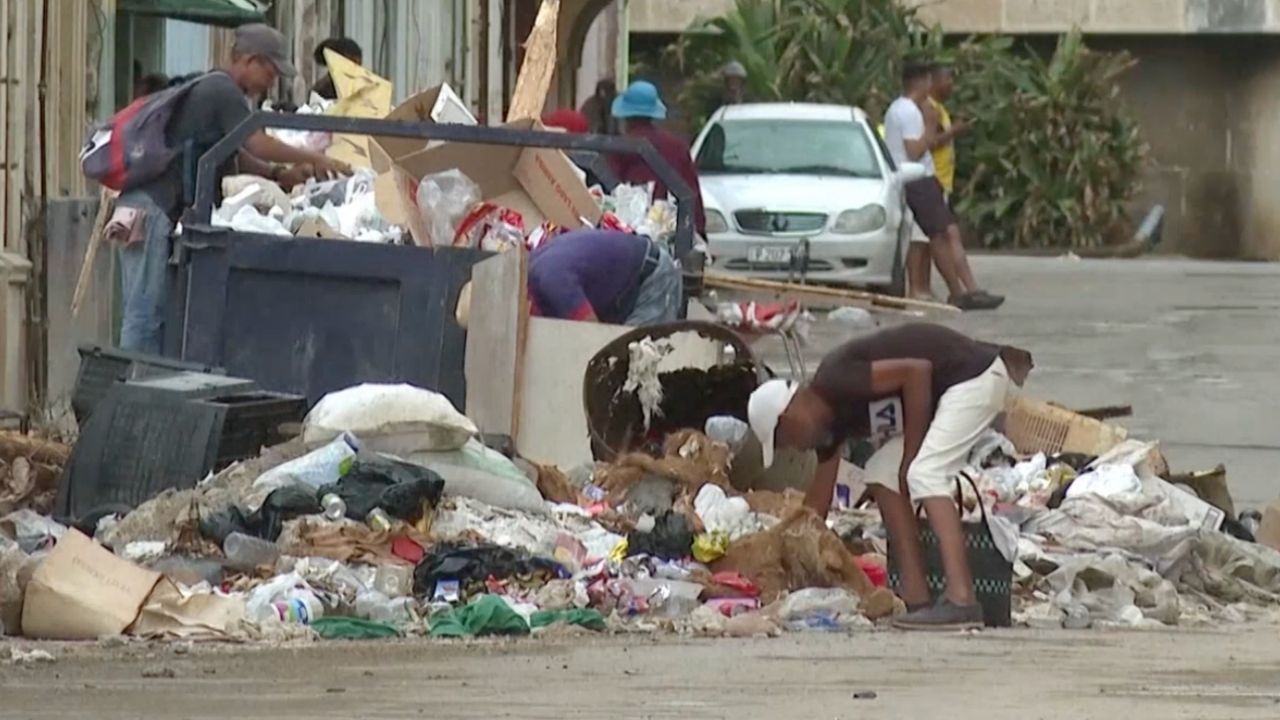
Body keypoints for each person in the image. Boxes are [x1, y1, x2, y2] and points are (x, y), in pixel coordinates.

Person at [746, 323, 1034, 630]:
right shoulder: (830, 427)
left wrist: (909, 458)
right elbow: (816, 509)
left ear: (789, 414)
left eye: (785, 439)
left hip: (974, 378)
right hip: (950, 395)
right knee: (882, 472)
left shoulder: (835, 378)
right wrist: (789, 548)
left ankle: (962, 600)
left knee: (923, 473)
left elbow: (916, 373)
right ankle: (916, 598)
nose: (794, 447)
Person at [111, 23, 351, 354]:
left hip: (152, 207)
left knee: (154, 311)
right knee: (144, 313)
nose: (271, 83)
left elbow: (235, 155)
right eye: (270, 72)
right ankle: (132, 385)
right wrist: (315, 157)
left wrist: (279, 174)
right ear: (251, 60)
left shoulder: (217, 91)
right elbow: (256, 141)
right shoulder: (221, 90)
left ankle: (141, 378)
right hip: (149, 208)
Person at [884, 63, 1001, 311]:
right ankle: (956, 292)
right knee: (939, 236)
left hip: (920, 179)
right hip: (918, 178)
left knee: (941, 235)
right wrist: (929, 124)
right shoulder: (909, 111)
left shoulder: (900, 108)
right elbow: (914, 151)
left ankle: (960, 291)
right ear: (923, 81)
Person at [608, 80, 707, 237]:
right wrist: (699, 233)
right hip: (670, 232)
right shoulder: (676, 147)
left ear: (625, 116)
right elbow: (692, 195)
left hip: (625, 233)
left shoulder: (617, 148)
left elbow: (607, 194)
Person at [527, 229, 681, 326]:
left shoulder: (553, 281)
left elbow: (592, 335)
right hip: (623, 286)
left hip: (652, 279)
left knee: (635, 360)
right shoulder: (532, 268)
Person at [906, 65, 968, 301]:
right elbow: (928, 143)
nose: (951, 84)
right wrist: (955, 131)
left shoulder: (938, 108)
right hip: (930, 179)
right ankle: (919, 287)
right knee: (925, 237)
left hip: (940, 180)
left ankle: (926, 287)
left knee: (931, 237)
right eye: (947, 79)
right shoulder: (926, 108)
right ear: (933, 81)